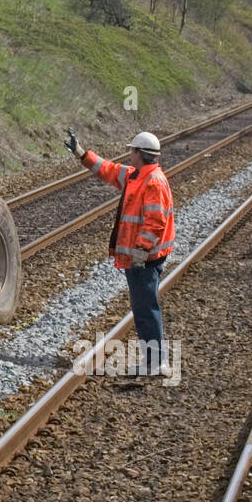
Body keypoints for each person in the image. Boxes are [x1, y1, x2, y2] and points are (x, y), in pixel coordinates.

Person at [64, 129, 175, 377]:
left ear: (139, 153)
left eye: (131, 151)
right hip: (139, 257)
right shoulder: (137, 175)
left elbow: (155, 221)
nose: (129, 155)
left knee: (146, 308)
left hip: (144, 259)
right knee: (143, 307)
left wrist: (141, 251)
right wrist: (82, 154)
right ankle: (153, 361)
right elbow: (109, 170)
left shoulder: (152, 181)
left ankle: (157, 363)